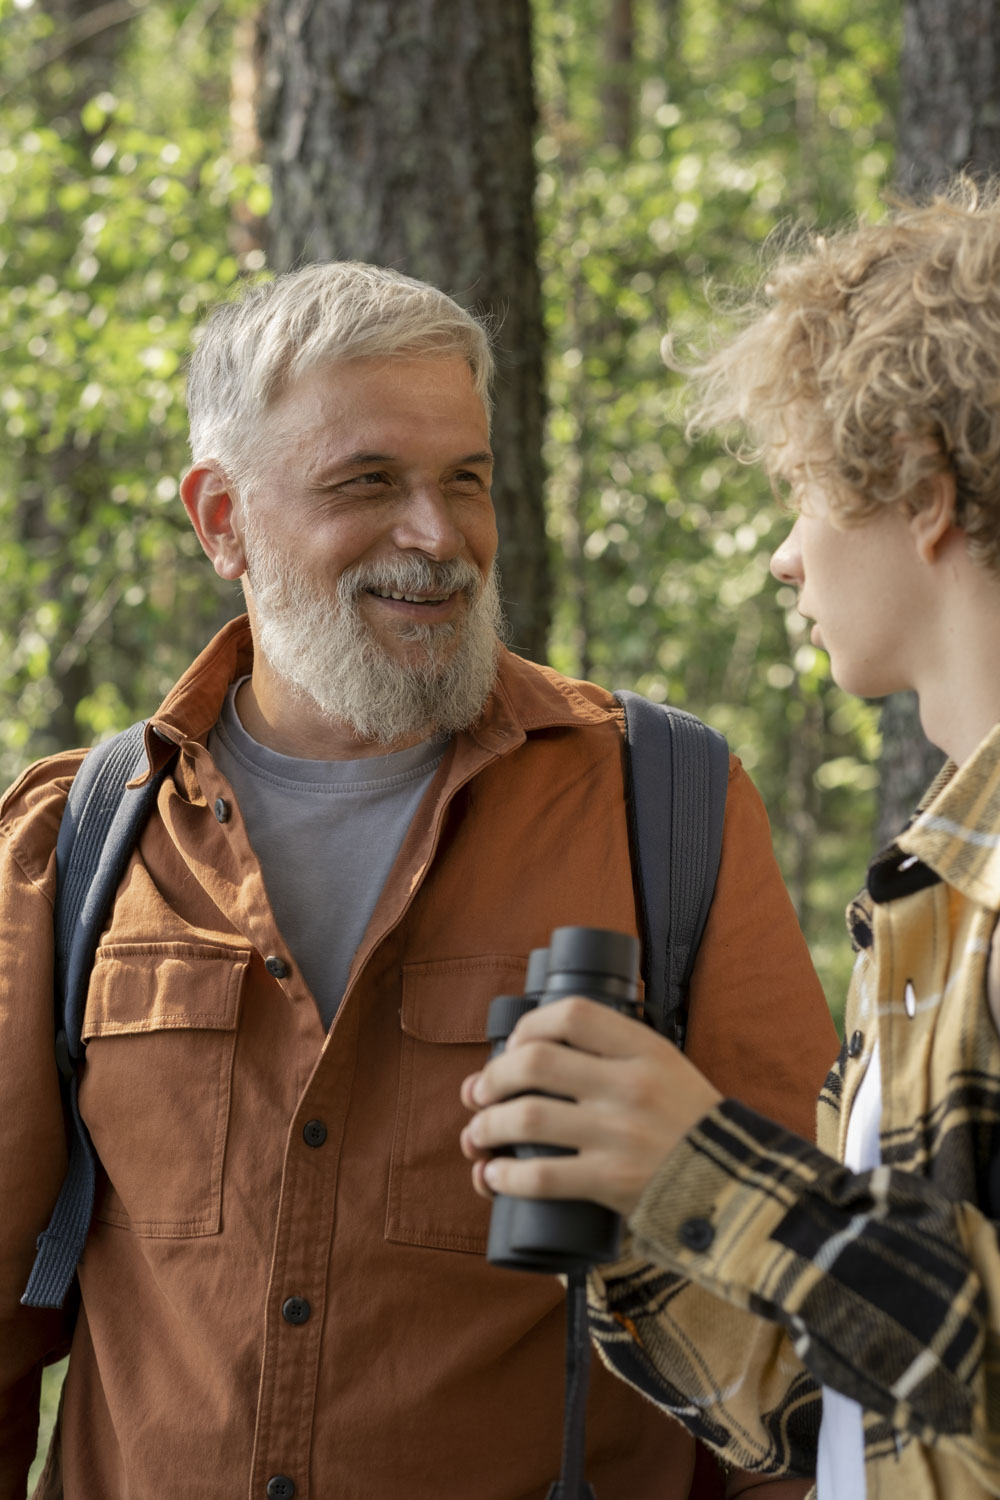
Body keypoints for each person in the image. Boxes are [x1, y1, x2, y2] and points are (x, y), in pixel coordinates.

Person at [0, 261, 836, 1500]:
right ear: (221, 518)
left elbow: (792, 1319)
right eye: (367, 484)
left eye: (464, 480)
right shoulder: (74, 842)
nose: (437, 536)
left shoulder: (665, 808)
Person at [462, 179, 1000, 1499]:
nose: (782, 557)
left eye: (805, 491)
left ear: (925, 487)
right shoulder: (935, 894)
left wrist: (711, 1164)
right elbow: (864, 1401)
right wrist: (642, 1212)